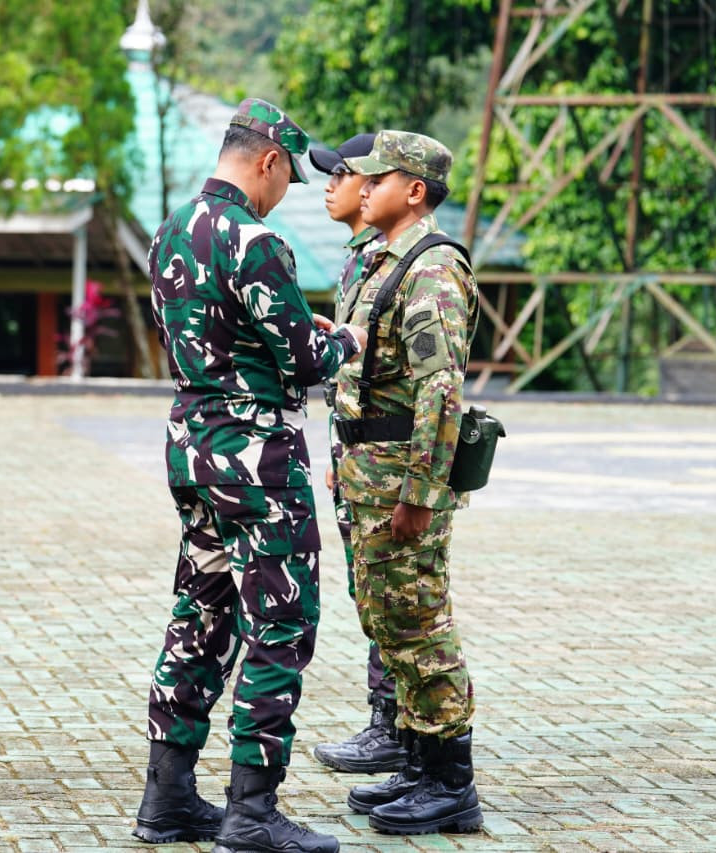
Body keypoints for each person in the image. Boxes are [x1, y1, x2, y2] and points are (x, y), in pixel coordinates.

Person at [132, 98, 367, 853]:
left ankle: (167, 798)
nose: (288, 191)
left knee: (200, 614)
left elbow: (213, 332)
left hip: (192, 445)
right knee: (280, 622)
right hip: (258, 455)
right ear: (265, 159)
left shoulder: (171, 230)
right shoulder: (256, 239)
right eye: (288, 176)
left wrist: (291, 335)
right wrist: (348, 340)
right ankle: (253, 811)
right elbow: (303, 359)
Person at [330, 130, 484, 835]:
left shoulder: (431, 267)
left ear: (414, 189)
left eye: (376, 178)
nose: (361, 188)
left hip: (401, 480)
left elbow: (440, 390)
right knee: (389, 619)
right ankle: (421, 763)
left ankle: (451, 782)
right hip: (372, 473)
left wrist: (420, 493)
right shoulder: (386, 261)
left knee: (421, 623)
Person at [306, 134, 406, 776]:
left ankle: (396, 727)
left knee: (397, 596)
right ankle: (388, 722)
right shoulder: (361, 259)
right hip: (357, 457)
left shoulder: (402, 260)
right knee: (370, 593)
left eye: (341, 175)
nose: (335, 186)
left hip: (389, 465)